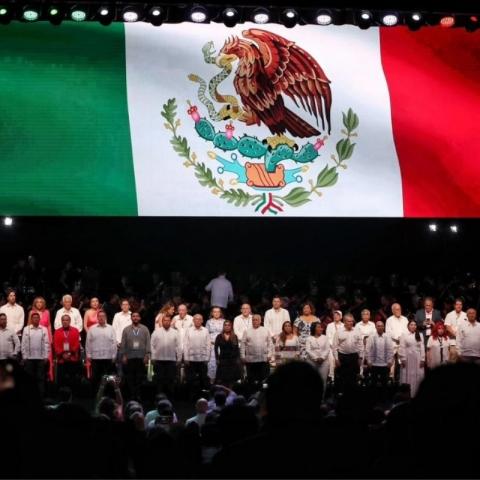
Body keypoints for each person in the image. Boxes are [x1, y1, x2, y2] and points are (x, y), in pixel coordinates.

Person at [120, 312, 151, 400]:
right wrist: (124, 355)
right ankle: (132, 395)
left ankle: (138, 395)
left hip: (141, 357)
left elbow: (148, 342)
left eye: (137, 316)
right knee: (130, 377)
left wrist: (147, 355)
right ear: (131, 318)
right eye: (133, 316)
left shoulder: (145, 329)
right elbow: (123, 344)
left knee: (139, 377)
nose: (135, 318)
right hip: (130, 356)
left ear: (140, 318)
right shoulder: (126, 329)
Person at [86, 310, 117, 394]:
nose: (101, 318)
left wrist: (114, 355)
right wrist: (88, 355)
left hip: (108, 357)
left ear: (105, 317)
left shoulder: (111, 328)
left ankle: (107, 393)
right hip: (95, 357)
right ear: (97, 318)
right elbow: (88, 343)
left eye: (103, 316)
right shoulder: (92, 329)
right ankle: (95, 394)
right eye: (99, 316)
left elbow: (114, 343)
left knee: (107, 377)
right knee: (95, 377)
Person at [150, 314, 181, 398]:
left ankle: (170, 397)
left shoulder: (175, 332)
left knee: (171, 379)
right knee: (159, 380)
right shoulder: (156, 332)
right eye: (165, 320)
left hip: (171, 360)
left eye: (168, 320)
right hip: (159, 360)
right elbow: (152, 345)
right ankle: (159, 397)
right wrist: (153, 357)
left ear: (170, 322)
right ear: (162, 322)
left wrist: (179, 358)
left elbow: (178, 346)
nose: (166, 322)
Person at [241, 314, 273, 388]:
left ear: (260, 321)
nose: (254, 321)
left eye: (256, 320)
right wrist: (242, 356)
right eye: (253, 320)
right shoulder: (247, 331)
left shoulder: (265, 330)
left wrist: (269, 355)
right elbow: (243, 344)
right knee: (251, 381)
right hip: (251, 360)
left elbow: (270, 343)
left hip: (263, 359)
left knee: (263, 380)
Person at [21, 312, 49, 397]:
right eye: (34, 318)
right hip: (29, 358)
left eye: (37, 318)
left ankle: (40, 396)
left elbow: (46, 343)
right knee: (29, 378)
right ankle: (30, 395)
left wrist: (46, 356)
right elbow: (23, 343)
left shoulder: (44, 329)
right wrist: (24, 356)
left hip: (40, 358)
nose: (36, 319)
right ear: (31, 319)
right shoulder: (26, 329)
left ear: (39, 319)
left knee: (40, 378)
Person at [333, 313, 363, 393]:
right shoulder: (339, 331)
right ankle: (342, 395)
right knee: (343, 377)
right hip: (343, 357)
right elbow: (335, 347)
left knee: (353, 377)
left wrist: (360, 357)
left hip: (354, 357)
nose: (351, 323)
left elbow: (361, 345)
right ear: (344, 322)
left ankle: (352, 395)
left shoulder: (357, 331)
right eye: (349, 321)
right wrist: (336, 359)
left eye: (352, 321)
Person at [183, 314, 211, 398]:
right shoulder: (189, 330)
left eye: (200, 319)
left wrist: (207, 358)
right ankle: (191, 396)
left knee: (203, 379)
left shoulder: (205, 330)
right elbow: (186, 344)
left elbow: (208, 345)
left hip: (202, 359)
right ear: (193, 321)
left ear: (202, 321)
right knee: (190, 379)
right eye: (196, 319)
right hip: (191, 359)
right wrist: (186, 358)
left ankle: (203, 396)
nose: (198, 321)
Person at [366, 320, 394, 397]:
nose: (380, 327)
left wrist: (390, 361)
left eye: (382, 326)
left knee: (384, 384)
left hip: (385, 364)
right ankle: (373, 399)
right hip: (374, 364)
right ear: (375, 327)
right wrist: (368, 361)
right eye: (378, 326)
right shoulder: (371, 337)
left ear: (384, 327)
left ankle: (384, 399)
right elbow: (368, 349)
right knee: (373, 383)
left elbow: (390, 350)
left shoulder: (387, 336)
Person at [28, 296, 53, 381]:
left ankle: (49, 377)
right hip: (35, 338)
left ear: (43, 304)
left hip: (45, 338)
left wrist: (51, 337)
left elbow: (49, 325)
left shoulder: (47, 312)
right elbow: (28, 326)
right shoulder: (31, 312)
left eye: (41, 302)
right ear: (35, 303)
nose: (39, 303)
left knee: (47, 357)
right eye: (37, 302)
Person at [53, 314, 81, 389]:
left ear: (70, 321)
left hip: (72, 358)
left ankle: (73, 395)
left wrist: (69, 353)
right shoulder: (57, 332)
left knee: (72, 379)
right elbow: (56, 345)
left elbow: (77, 344)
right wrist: (62, 354)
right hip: (61, 359)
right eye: (63, 320)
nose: (65, 322)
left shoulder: (75, 331)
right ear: (61, 321)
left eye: (67, 320)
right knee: (61, 379)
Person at [399, 320, 425, 397]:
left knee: (418, 374)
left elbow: (422, 347)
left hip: (417, 358)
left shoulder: (419, 334)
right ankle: (407, 394)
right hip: (408, 358)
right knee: (408, 375)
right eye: (411, 325)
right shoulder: (404, 335)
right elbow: (402, 347)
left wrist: (422, 359)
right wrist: (403, 358)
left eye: (414, 325)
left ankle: (416, 393)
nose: (413, 326)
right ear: (408, 326)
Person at [214, 320, 242, 386]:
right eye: (225, 325)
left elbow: (236, 349)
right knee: (222, 379)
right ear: (223, 326)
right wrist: (217, 358)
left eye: (228, 325)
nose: (227, 327)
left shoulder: (234, 336)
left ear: (231, 326)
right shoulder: (219, 336)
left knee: (232, 379)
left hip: (232, 360)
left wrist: (237, 359)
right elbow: (215, 348)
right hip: (223, 360)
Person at [385, 303, 409, 380]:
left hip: (403, 343)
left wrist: (402, 338)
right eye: (397, 309)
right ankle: (391, 378)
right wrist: (397, 338)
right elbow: (388, 332)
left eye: (400, 309)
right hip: (393, 343)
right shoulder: (389, 320)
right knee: (391, 362)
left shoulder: (405, 319)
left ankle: (402, 377)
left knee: (402, 361)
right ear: (393, 311)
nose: (399, 311)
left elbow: (407, 330)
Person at [305, 321, 330, 391]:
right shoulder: (309, 338)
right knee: (311, 380)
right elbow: (308, 350)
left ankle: (321, 399)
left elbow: (327, 349)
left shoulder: (325, 338)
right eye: (319, 327)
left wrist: (322, 358)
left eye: (321, 327)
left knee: (323, 380)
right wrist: (316, 358)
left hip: (324, 362)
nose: (321, 329)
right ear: (314, 329)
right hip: (311, 362)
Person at [206, 307, 225, 383]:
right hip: (212, 345)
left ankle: (222, 382)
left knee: (222, 362)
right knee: (212, 364)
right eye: (214, 312)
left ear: (220, 313)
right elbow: (206, 334)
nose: (216, 313)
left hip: (222, 345)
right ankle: (211, 383)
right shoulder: (208, 322)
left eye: (218, 312)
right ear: (212, 313)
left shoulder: (224, 321)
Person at [354, 309, 376, 375]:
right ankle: (360, 375)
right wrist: (363, 339)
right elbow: (356, 335)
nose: (365, 316)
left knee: (370, 361)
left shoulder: (372, 324)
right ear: (361, 316)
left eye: (367, 314)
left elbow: (374, 334)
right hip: (360, 345)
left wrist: (367, 339)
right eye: (364, 314)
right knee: (360, 361)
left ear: (369, 316)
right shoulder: (358, 325)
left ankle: (371, 375)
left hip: (370, 345)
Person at [326, 310, 344, 381]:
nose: (336, 316)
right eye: (335, 315)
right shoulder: (329, 325)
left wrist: (339, 346)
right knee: (331, 361)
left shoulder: (343, 325)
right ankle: (332, 378)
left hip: (341, 348)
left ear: (341, 317)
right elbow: (328, 337)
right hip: (331, 347)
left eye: (338, 315)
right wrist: (334, 346)